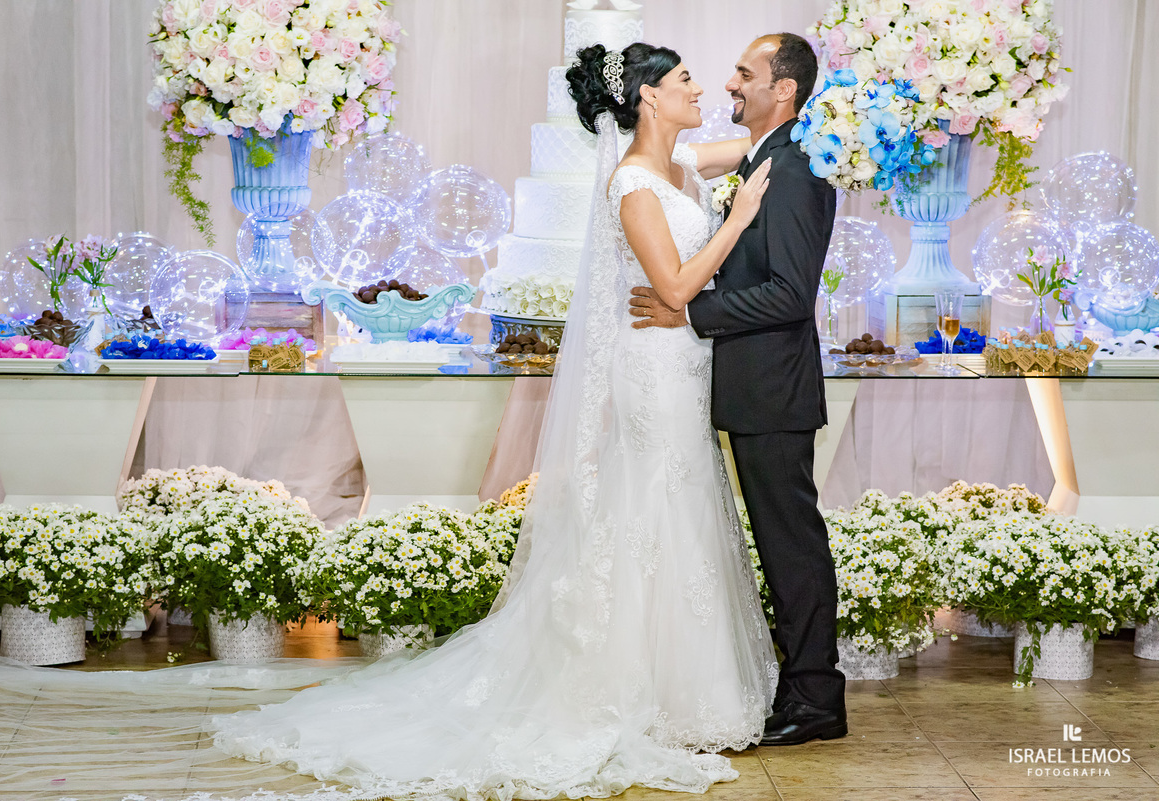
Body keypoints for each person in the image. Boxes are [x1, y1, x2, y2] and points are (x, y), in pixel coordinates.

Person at [206, 42, 780, 798]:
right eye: (682, 81)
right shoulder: (634, 183)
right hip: (652, 369)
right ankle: (633, 686)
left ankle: (684, 684)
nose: (699, 87)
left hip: (685, 365)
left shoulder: (684, 166)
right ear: (646, 99)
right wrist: (737, 219)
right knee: (651, 504)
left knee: (683, 504)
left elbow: (762, 138)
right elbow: (671, 287)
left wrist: (811, 118)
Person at [629, 33, 847, 746]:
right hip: (752, 388)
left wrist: (689, 309)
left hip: (774, 390)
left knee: (791, 544)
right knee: (781, 542)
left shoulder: (794, 170)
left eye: (745, 74)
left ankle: (816, 698)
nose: (730, 84)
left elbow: (789, 294)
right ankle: (800, 687)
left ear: (783, 90)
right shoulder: (764, 162)